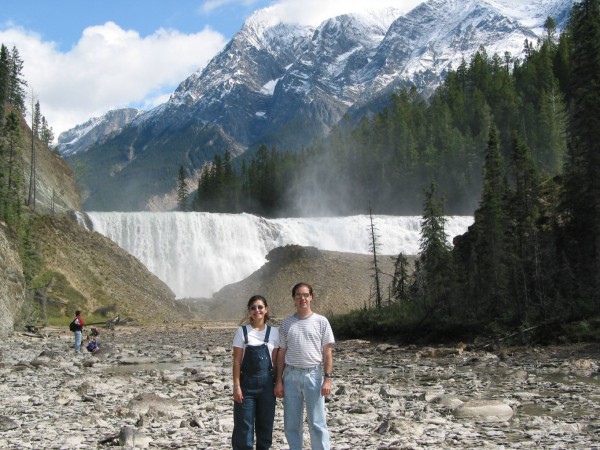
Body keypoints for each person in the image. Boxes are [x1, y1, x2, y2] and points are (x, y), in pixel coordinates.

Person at [275, 282, 335, 450]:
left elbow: (328, 352)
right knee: (291, 424)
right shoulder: (286, 323)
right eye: (298, 295)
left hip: (313, 376)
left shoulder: (321, 322)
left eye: (305, 295)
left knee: (317, 422)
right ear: (293, 299)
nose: (302, 298)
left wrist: (328, 379)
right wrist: (278, 381)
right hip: (291, 376)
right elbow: (281, 354)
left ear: (311, 297)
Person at [232, 295, 280, 450]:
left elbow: (277, 362)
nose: (257, 310)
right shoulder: (242, 332)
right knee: (244, 427)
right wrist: (236, 386)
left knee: (265, 428)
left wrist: (279, 382)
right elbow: (237, 361)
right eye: (253, 308)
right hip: (246, 386)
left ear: (266, 310)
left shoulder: (274, 333)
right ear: (249, 312)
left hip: (267, 386)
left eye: (260, 307)